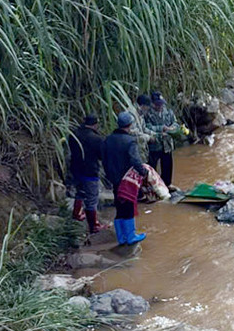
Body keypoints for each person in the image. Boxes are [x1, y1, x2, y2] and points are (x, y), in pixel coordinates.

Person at [102, 111, 147, 245]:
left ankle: (121, 238)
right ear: (130, 125)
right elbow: (135, 160)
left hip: (113, 178)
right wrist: (143, 171)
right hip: (127, 179)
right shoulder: (130, 141)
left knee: (119, 205)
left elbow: (104, 159)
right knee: (128, 205)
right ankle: (131, 236)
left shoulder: (108, 139)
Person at [68, 113, 108, 233]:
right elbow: (102, 156)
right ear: (95, 125)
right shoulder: (96, 139)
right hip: (90, 171)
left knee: (79, 192)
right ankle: (94, 225)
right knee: (92, 198)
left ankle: (76, 214)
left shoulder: (74, 134)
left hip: (75, 168)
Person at [145, 92, 179, 187]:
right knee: (152, 167)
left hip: (167, 144)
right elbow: (146, 127)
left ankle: (167, 184)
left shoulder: (168, 112)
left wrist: (172, 128)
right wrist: (161, 129)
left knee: (167, 165)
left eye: (161, 104)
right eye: (157, 104)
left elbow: (175, 123)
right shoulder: (147, 114)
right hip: (154, 145)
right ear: (152, 103)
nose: (160, 106)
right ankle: (152, 186)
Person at [129, 94, 154, 160]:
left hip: (141, 148)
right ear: (142, 105)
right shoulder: (131, 115)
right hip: (133, 149)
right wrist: (148, 137)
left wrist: (154, 134)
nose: (148, 108)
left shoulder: (141, 114)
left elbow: (143, 129)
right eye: (147, 106)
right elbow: (132, 132)